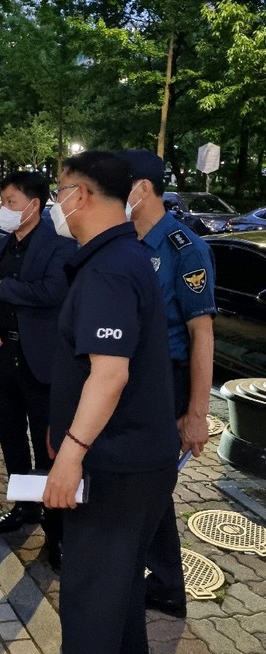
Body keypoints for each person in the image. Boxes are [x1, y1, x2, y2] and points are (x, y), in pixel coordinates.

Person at [0, 151, 179, 654]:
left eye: (62, 191)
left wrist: (71, 454)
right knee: (118, 589)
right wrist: (65, 431)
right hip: (135, 460)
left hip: (116, 465)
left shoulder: (108, 268)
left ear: (84, 196)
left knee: (90, 600)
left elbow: (110, 373)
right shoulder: (121, 257)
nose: (57, 203)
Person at [119, 149, 216, 618]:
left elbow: (202, 335)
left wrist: (196, 414)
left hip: (168, 382)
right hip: (132, 383)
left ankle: (160, 584)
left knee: (149, 486)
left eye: (119, 184)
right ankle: (166, 583)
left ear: (142, 188)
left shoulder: (184, 249)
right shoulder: (125, 241)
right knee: (147, 485)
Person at [0, 172, 75, 564]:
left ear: (34, 205)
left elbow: (52, 292)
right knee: (11, 436)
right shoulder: (3, 244)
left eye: (11, 202)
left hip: (42, 362)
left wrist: (3, 287)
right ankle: (25, 506)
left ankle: (57, 530)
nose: (3, 209)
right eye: (2, 201)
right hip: (3, 356)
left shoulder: (59, 244)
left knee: (47, 445)